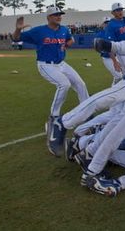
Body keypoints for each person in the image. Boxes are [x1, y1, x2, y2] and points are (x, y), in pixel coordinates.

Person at [11, 9, 89, 157]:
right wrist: (17, 29)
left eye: (60, 15)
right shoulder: (39, 31)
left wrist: (67, 44)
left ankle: (87, 111)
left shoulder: (64, 29)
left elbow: (70, 39)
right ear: (49, 17)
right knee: (64, 84)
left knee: (80, 84)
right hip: (46, 65)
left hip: (61, 63)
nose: (59, 17)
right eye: (56, 15)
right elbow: (16, 39)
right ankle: (54, 118)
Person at [96, 17, 122, 85]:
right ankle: (113, 92)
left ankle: (113, 90)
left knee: (119, 76)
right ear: (103, 24)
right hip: (107, 58)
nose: (107, 24)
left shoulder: (114, 32)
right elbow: (98, 48)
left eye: (109, 22)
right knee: (119, 76)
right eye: (106, 22)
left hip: (116, 57)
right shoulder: (100, 34)